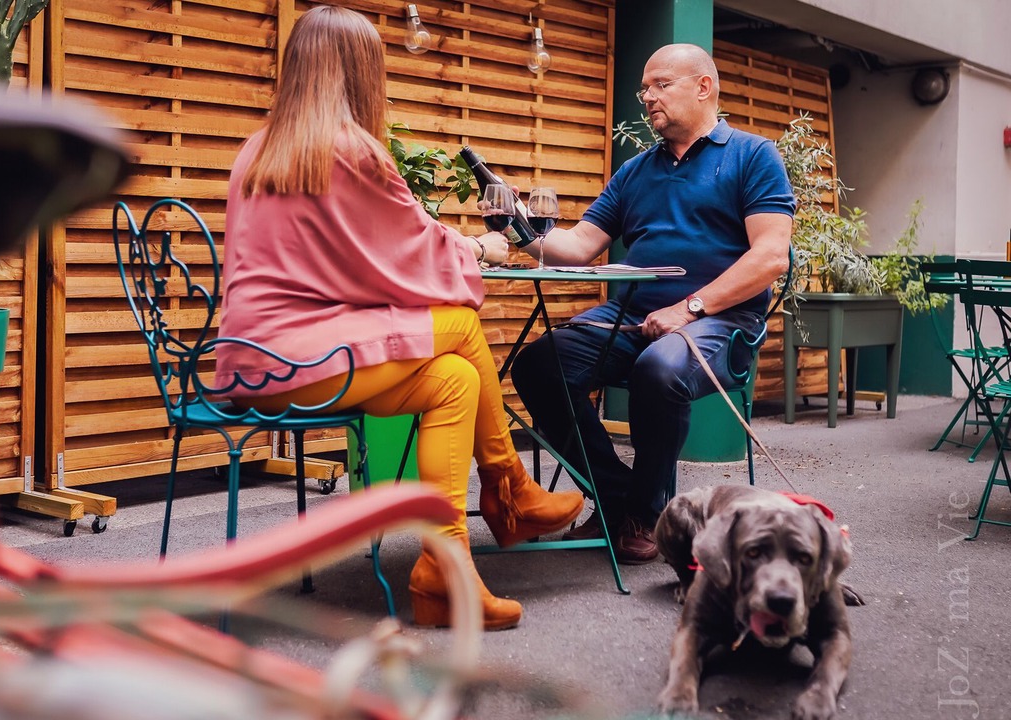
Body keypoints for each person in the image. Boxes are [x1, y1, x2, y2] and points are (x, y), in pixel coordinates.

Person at [213, 5, 582, 631]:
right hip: (308, 361)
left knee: (457, 381)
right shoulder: (352, 150)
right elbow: (413, 248)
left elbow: (353, 261)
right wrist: (479, 249)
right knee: (462, 328)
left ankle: (445, 572)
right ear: (362, 72)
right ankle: (511, 490)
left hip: (252, 361)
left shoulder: (259, 149)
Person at [510, 43, 794, 565]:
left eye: (660, 84)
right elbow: (576, 248)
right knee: (538, 364)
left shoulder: (754, 157)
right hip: (634, 317)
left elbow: (771, 256)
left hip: (720, 323)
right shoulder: (636, 172)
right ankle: (622, 499)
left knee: (658, 369)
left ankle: (642, 510)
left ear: (703, 86)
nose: (648, 97)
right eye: (645, 88)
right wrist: (516, 227)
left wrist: (689, 308)